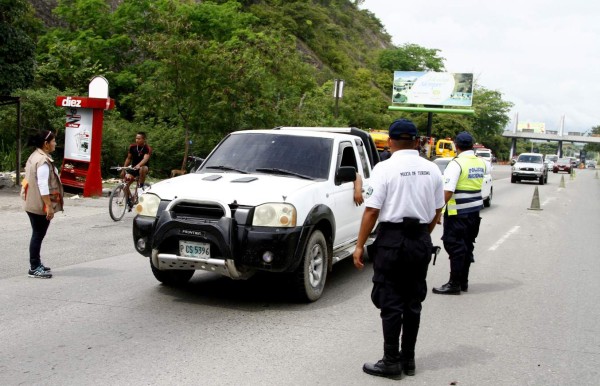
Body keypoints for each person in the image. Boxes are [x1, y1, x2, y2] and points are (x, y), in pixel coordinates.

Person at [352, 119, 445, 379]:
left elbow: (371, 210)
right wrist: (422, 237)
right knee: (412, 301)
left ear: (390, 142)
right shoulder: (433, 170)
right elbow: (438, 210)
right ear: (417, 142)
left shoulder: (384, 168)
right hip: (419, 239)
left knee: (391, 301)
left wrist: (359, 246)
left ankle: (391, 361)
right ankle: (409, 360)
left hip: (392, 239)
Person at [433, 131, 487, 295]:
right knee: (467, 245)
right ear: (472, 145)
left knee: (454, 245)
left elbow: (447, 191)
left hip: (457, 215)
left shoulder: (456, 164)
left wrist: (438, 212)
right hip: (474, 213)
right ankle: (463, 282)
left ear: (456, 146)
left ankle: (454, 284)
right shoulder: (480, 162)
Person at [21, 129, 64, 279]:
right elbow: (43, 185)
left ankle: (37, 264)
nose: (55, 143)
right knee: (38, 235)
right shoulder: (43, 161)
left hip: (31, 202)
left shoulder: (35, 155)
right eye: (53, 141)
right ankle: (34, 267)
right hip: (39, 205)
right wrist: (49, 207)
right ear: (46, 144)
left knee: (37, 234)